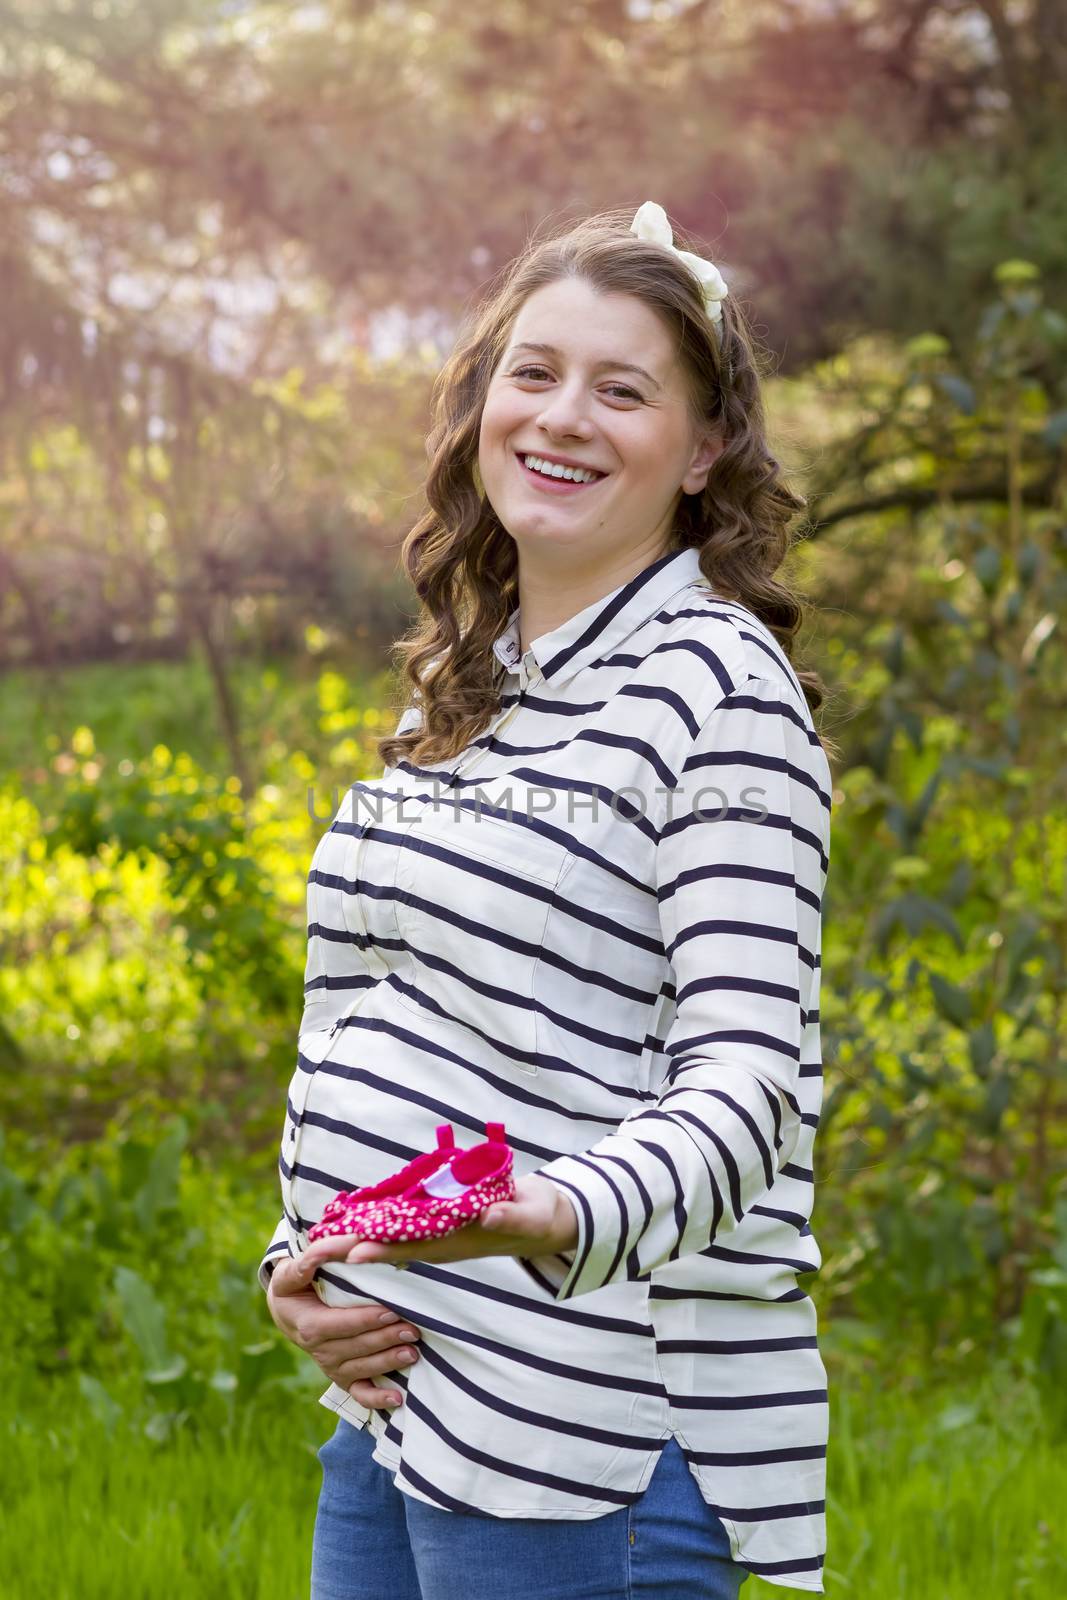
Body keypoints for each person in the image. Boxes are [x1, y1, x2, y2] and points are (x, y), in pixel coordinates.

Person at [261, 199, 834, 1599]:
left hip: (607, 1422)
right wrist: (312, 1260)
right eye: (535, 372)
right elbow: (373, 1018)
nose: (562, 417)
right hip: (406, 1388)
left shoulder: (722, 695)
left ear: (705, 451)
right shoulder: (464, 688)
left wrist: (552, 1215)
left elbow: (753, 1087)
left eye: (622, 389)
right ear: (482, 408)